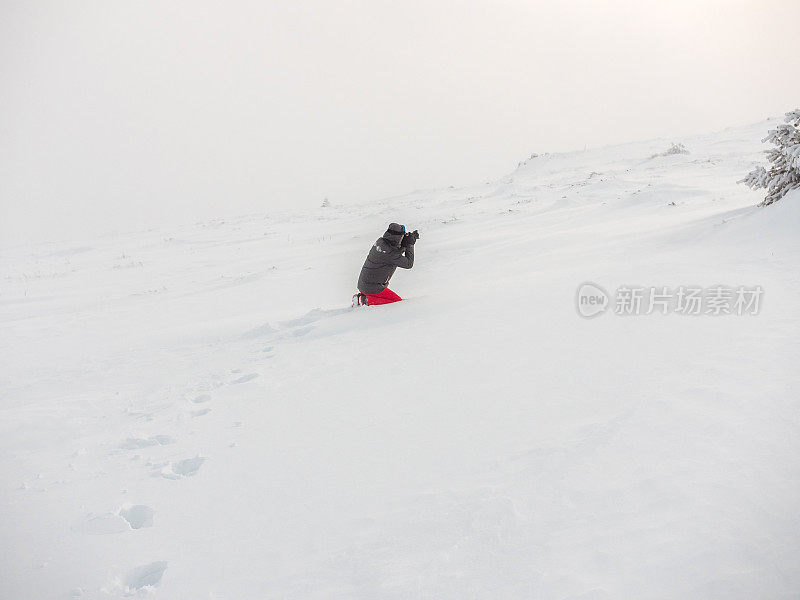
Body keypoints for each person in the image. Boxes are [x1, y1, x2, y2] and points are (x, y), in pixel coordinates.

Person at [355, 223, 419, 306]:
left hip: (365, 285)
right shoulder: (390, 253)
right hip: (373, 288)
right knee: (395, 302)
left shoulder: (381, 242)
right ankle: (364, 300)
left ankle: (363, 297)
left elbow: (394, 254)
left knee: (391, 300)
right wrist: (410, 244)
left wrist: (405, 243)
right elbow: (408, 264)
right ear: (398, 237)